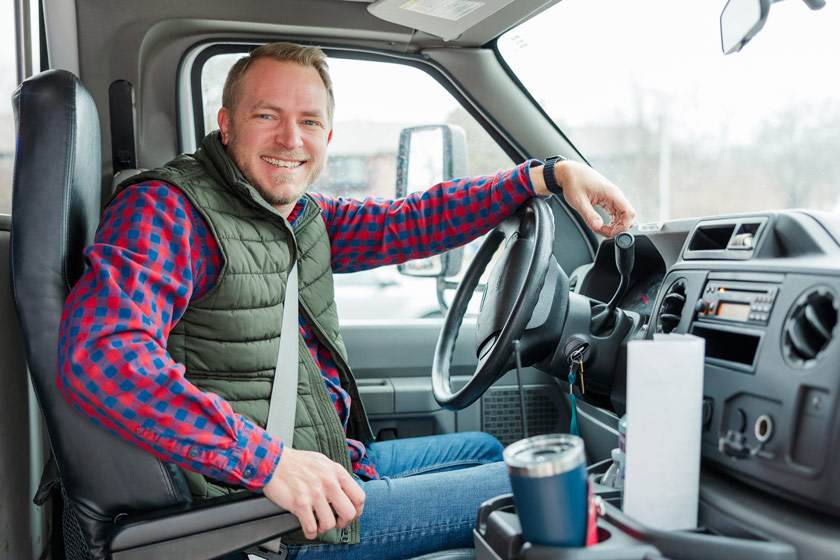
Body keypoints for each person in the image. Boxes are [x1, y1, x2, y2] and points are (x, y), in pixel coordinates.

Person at [58, 42, 635, 559]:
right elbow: (101, 353)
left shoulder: (297, 215)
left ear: (328, 138)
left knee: (489, 449)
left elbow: (408, 222)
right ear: (226, 124)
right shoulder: (169, 209)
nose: (291, 139)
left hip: (323, 465)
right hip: (257, 518)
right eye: (267, 116)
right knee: (548, 485)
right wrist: (268, 461)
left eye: (309, 121)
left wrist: (547, 176)